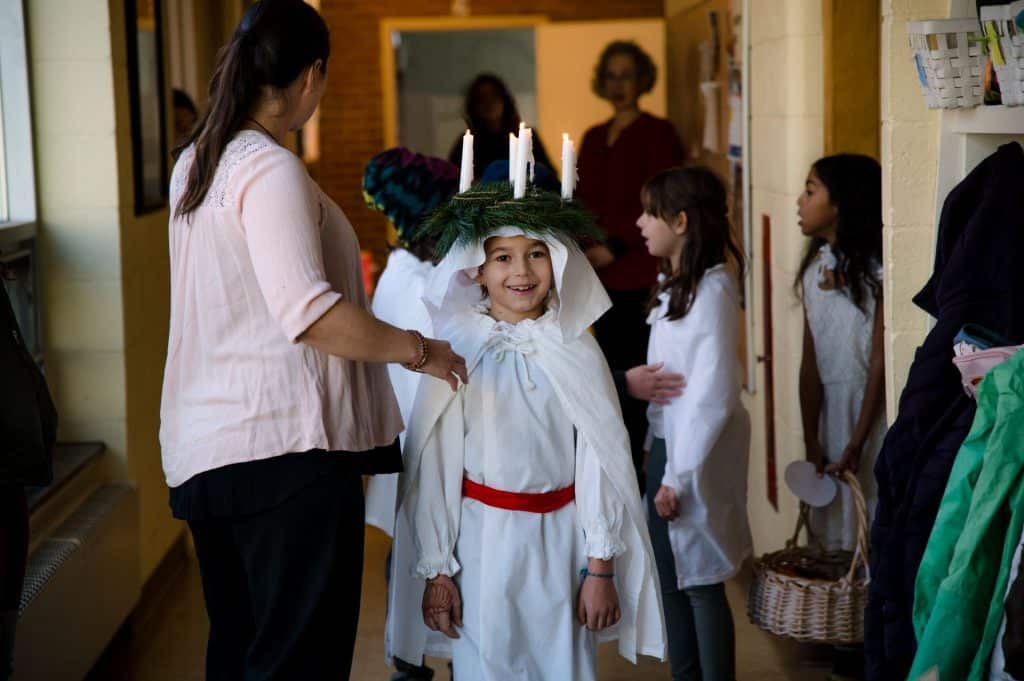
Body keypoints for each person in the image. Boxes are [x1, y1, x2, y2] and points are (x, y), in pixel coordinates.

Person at [160, 2, 467, 679]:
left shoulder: (199, 162)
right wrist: (421, 349)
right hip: (282, 455)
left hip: (210, 452)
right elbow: (312, 314)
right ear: (312, 75)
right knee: (298, 662)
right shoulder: (266, 169)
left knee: (241, 653)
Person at [389, 181, 666, 680]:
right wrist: (437, 569)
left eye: (536, 254)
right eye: (502, 257)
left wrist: (599, 567)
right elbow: (437, 461)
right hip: (480, 546)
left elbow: (599, 460)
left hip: (561, 547)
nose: (520, 271)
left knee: (563, 667)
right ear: (477, 269)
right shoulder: (458, 349)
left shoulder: (576, 347)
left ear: (559, 263)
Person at [638, 166, 751, 681]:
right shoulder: (680, 284)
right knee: (670, 576)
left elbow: (712, 395)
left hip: (690, 454)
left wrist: (676, 475)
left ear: (680, 221)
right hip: (667, 445)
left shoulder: (712, 292)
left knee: (699, 581)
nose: (639, 223)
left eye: (650, 213)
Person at [361, 147, 459, 681]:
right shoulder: (425, 281)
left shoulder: (401, 267)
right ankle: (411, 662)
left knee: (411, 553)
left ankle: (409, 660)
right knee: (424, 556)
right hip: (421, 438)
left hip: (405, 439)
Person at [576, 41, 685, 489]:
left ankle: (640, 477)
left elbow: (658, 201)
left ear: (642, 79)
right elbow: (578, 198)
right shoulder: (593, 137)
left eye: (628, 75)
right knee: (604, 372)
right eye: (612, 75)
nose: (619, 84)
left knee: (639, 375)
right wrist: (586, 246)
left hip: (638, 271)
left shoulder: (658, 133)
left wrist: (614, 245)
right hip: (595, 273)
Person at [796, 154, 884, 681]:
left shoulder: (875, 269)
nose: (800, 203)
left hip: (867, 415)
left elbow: (877, 357)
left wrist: (856, 436)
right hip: (831, 411)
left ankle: (865, 642)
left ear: (842, 202)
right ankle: (841, 633)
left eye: (810, 191)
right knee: (834, 522)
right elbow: (810, 360)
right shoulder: (812, 270)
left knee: (868, 514)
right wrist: (812, 436)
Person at [446, 73, 552, 180]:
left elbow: (548, 175)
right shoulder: (466, 143)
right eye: (482, 98)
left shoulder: (527, 138)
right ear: (474, 105)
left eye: (494, 96)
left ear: (504, 101)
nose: (489, 103)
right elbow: (453, 180)